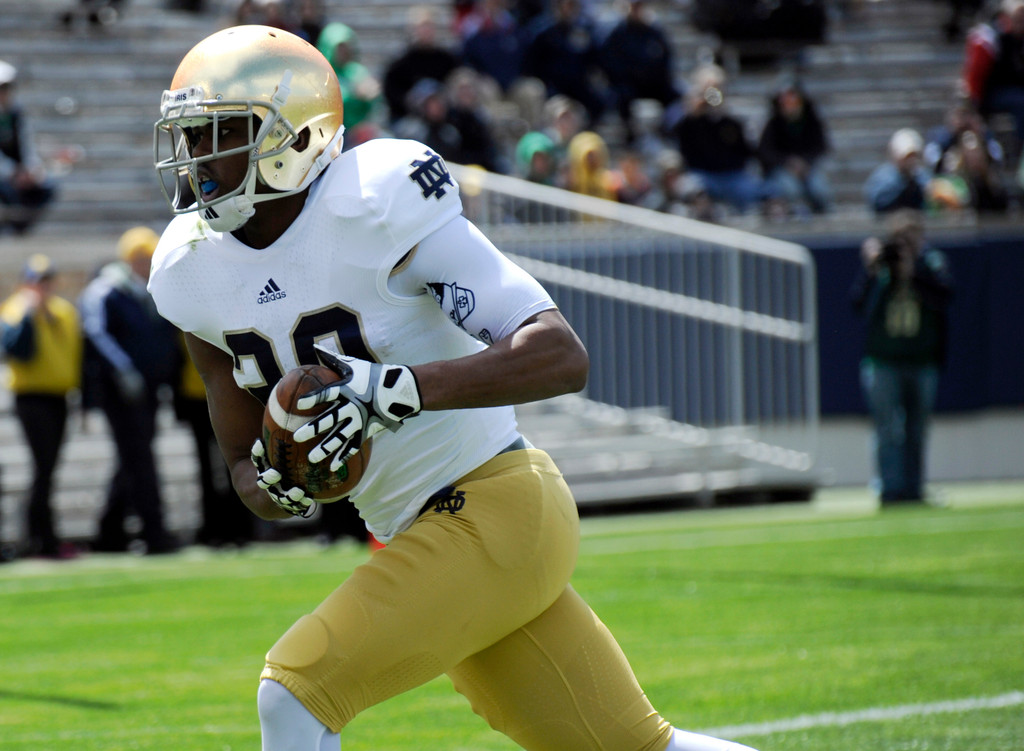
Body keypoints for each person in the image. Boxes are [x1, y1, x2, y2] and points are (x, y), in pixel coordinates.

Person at [149, 25, 760, 751]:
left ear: (297, 136)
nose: (198, 161)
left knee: (294, 694)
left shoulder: (375, 202)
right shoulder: (189, 269)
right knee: (636, 747)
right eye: (188, 137)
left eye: (219, 134)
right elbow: (245, 461)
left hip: (497, 505)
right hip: (418, 530)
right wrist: (275, 484)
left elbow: (558, 353)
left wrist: (395, 389)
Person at [80, 226, 182, 555]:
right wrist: (123, 369)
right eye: (139, 257)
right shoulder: (107, 291)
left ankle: (108, 532)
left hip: (149, 388)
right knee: (140, 459)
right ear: (127, 259)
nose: (144, 262)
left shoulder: (148, 291)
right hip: (120, 391)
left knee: (133, 459)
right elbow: (97, 334)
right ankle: (154, 532)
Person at [850, 209, 954, 504]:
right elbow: (858, 305)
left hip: (921, 360)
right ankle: (889, 489)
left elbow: (945, 297)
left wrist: (914, 275)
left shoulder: (930, 263)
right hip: (884, 359)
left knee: (916, 430)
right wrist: (872, 270)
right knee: (887, 429)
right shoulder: (882, 267)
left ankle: (914, 489)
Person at [0, 254, 83, 559]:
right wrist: (28, 316)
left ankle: (44, 536)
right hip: (31, 397)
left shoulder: (64, 312)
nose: (42, 287)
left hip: (60, 397)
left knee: (48, 469)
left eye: (46, 280)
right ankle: (39, 537)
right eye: (37, 281)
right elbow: (17, 351)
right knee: (42, 468)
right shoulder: (15, 310)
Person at [175, 341, 255, 548]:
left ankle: (241, 527)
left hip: (229, 396)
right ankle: (213, 528)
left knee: (237, 460)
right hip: (196, 397)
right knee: (208, 469)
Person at [669, 64, 770, 215]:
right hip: (702, 174)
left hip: (732, 175)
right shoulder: (688, 115)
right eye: (708, 88)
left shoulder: (733, 118)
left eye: (716, 88)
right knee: (690, 188)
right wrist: (692, 114)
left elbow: (747, 150)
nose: (712, 94)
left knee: (753, 191)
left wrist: (723, 115)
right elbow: (670, 131)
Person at [597, 0, 679, 144]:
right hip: (627, 84)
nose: (635, 10)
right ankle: (629, 133)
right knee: (622, 95)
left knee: (676, 95)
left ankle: (667, 129)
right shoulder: (616, 33)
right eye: (633, 6)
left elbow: (664, 58)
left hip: (652, 83)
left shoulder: (653, 31)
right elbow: (608, 62)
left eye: (639, 6)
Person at [520, 0, 608, 127]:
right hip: (552, 85)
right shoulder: (541, 31)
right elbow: (531, 65)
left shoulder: (583, 29)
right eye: (564, 4)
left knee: (601, 101)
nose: (568, 9)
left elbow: (596, 59)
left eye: (571, 5)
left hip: (579, 84)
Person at [756, 75, 833, 216]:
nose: (789, 103)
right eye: (784, 100)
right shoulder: (773, 124)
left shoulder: (812, 122)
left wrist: (805, 163)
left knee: (820, 189)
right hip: (781, 170)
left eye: (793, 98)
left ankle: (824, 220)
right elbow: (765, 153)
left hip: (807, 168)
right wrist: (788, 162)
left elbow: (821, 147)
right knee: (791, 189)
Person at [0, 60, 57, 236]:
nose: (4, 93)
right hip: (6, 176)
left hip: (17, 175)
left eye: (6, 88)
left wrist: (31, 169)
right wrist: (13, 172)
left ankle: (18, 230)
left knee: (47, 187)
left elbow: (27, 145)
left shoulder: (16, 114)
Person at [382, 6, 462, 124]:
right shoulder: (399, 63)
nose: (426, 31)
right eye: (422, 27)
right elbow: (392, 94)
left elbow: (455, 85)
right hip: (410, 118)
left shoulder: (447, 59)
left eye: (429, 26)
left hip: (444, 118)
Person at [961, 0, 1024, 146]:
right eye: (1018, 18)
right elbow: (974, 77)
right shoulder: (989, 39)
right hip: (990, 93)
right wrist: (973, 106)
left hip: (1013, 88)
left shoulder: (1018, 39)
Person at [316, 23, 382, 135]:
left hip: (358, 130)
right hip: (329, 132)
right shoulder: (320, 74)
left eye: (346, 47)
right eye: (339, 48)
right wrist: (354, 94)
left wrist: (373, 93)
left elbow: (372, 97)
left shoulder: (356, 70)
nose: (343, 52)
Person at [863, 128, 934, 214]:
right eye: (907, 157)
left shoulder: (922, 176)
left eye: (914, 156)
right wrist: (904, 184)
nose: (911, 161)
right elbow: (877, 204)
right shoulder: (883, 178)